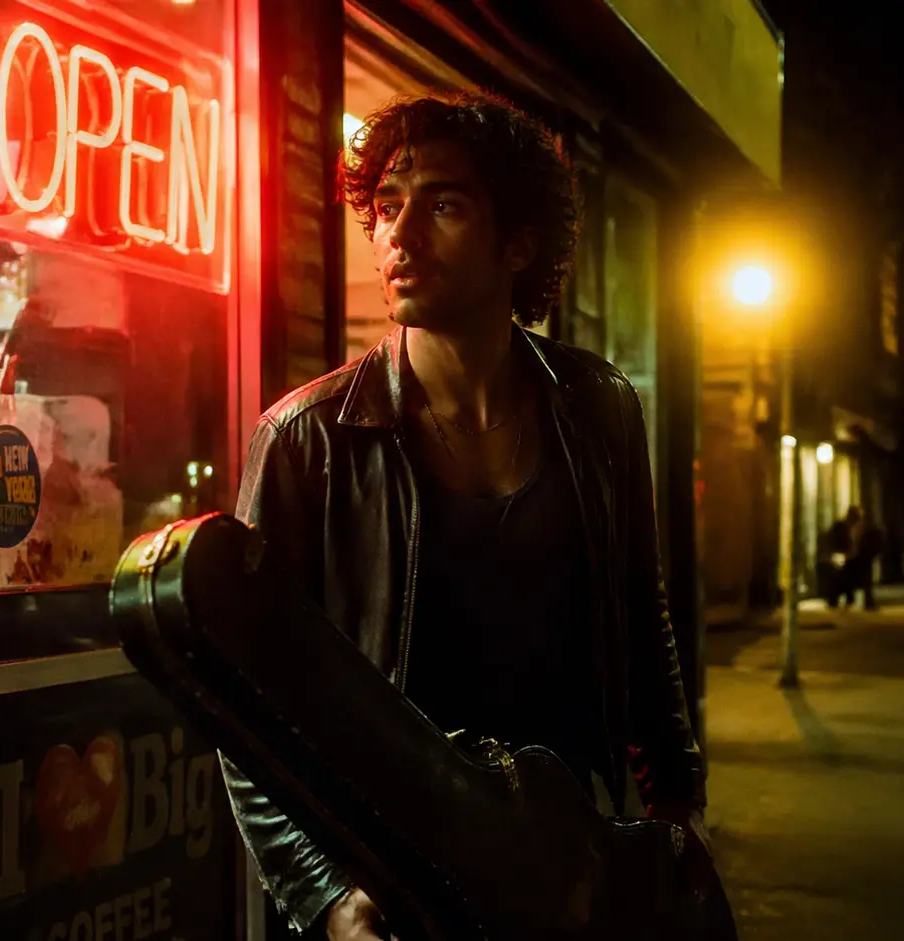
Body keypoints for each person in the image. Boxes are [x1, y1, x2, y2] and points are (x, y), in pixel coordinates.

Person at [225, 92, 709, 941]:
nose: (399, 236)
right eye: (385, 208)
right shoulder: (306, 439)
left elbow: (642, 617)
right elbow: (248, 703)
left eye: (442, 204)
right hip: (394, 881)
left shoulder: (599, 409)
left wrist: (678, 810)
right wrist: (325, 896)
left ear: (518, 242)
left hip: (570, 869)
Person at [846, 506, 883, 612]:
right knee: (864, 581)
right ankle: (865, 602)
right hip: (860, 557)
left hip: (860, 557)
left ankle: (862, 601)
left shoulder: (857, 527)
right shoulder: (858, 527)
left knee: (863, 581)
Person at [822, 509, 857, 609]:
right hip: (839, 555)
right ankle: (835, 600)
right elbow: (837, 541)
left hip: (842, 555)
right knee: (840, 578)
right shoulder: (841, 527)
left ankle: (838, 600)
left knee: (842, 578)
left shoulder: (844, 527)